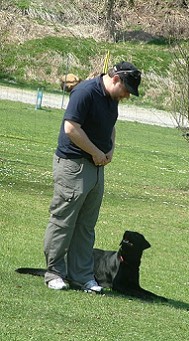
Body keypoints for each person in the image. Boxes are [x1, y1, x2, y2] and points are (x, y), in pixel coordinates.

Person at [44, 61, 141, 292]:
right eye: (126, 89)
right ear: (116, 79)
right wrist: (96, 152)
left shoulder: (112, 99)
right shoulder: (85, 92)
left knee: (86, 227)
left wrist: (110, 150)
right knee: (63, 222)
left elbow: (111, 127)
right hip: (73, 166)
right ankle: (54, 273)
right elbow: (71, 128)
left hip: (96, 169)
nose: (127, 95)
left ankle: (82, 276)